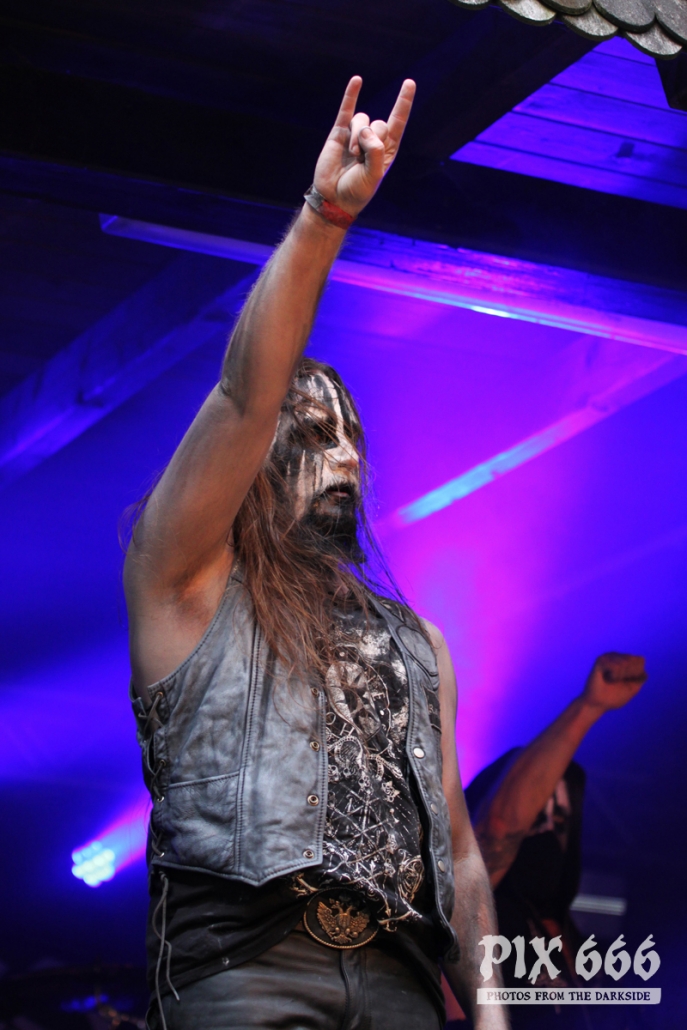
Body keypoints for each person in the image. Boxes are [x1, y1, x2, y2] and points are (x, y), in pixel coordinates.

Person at [125, 76, 508, 1030]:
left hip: (400, 980)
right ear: (254, 463)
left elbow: (458, 853)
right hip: (246, 967)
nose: (341, 458)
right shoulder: (187, 581)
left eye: (350, 440)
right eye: (309, 436)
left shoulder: (416, 641)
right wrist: (324, 219)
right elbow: (244, 395)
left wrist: (494, 1016)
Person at [464, 652, 647, 1027]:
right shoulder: (474, 914)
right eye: (537, 817)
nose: (546, 831)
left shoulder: (581, 950)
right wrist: (589, 707)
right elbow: (499, 829)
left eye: (558, 819)